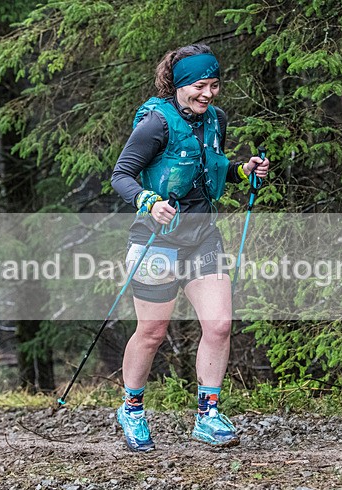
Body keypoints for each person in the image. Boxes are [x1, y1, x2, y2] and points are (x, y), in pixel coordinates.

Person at [110, 43, 270, 452]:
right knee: (152, 332)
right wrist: (148, 201)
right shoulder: (155, 124)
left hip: (203, 238)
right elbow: (122, 174)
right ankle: (131, 409)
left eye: (214, 85)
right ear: (179, 84)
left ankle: (207, 416)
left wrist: (243, 171)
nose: (208, 93)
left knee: (219, 325)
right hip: (156, 241)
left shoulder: (216, 119)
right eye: (200, 85)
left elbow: (209, 169)